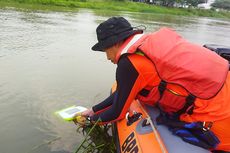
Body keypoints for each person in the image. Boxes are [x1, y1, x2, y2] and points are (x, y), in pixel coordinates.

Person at [76, 17, 230, 152]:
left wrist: (88, 120)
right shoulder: (146, 45)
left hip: (217, 115)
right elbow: (123, 92)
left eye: (105, 50)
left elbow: (117, 112)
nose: (107, 57)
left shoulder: (129, 63)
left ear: (115, 43)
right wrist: (93, 110)